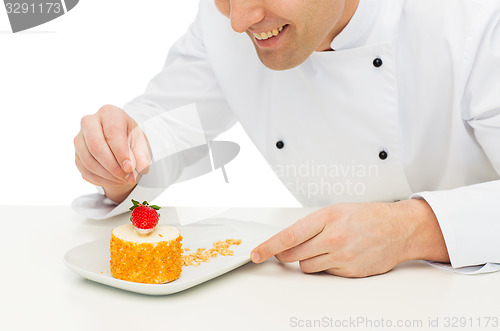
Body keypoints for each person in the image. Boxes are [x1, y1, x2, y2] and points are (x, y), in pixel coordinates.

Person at [73, 0, 500, 277]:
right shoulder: (225, 19)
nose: (239, 20)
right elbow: (162, 129)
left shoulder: (473, 20)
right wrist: (116, 157)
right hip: (320, 297)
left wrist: (410, 230)